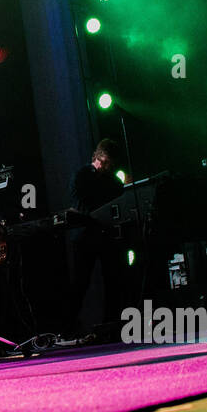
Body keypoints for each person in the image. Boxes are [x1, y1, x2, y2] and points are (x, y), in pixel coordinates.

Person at [66, 139, 127, 337]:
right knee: (80, 283)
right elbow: (79, 203)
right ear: (97, 158)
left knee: (113, 281)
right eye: (106, 163)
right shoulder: (81, 176)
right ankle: (69, 328)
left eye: (111, 164)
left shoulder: (112, 181)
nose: (108, 167)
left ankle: (111, 325)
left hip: (106, 236)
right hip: (85, 236)